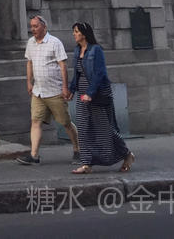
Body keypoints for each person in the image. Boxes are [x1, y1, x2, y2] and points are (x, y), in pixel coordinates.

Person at [69, 20, 135, 174]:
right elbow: (77, 73)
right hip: (82, 95)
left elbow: (100, 73)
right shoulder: (77, 50)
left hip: (97, 94)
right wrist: (71, 89)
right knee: (83, 129)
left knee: (105, 129)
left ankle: (127, 154)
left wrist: (90, 93)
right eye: (74, 31)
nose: (74, 34)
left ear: (84, 34)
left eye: (77, 31)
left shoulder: (96, 50)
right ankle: (86, 164)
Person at [17, 14, 81, 165]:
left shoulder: (54, 42)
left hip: (55, 91)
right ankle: (34, 155)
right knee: (35, 121)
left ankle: (78, 150)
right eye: (31, 26)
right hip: (38, 91)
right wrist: (29, 82)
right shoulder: (31, 43)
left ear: (44, 27)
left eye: (36, 26)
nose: (33, 29)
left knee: (66, 123)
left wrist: (65, 87)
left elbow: (63, 65)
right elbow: (29, 62)